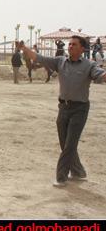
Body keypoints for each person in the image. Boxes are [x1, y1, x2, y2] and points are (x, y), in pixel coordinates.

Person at [20, 36, 106, 187]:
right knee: (64, 142)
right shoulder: (60, 61)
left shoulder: (89, 65)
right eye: (70, 44)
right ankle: (78, 172)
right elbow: (40, 57)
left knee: (70, 144)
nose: (70, 46)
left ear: (82, 49)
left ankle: (61, 177)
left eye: (74, 44)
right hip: (63, 108)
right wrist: (25, 49)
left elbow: (102, 76)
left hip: (80, 109)